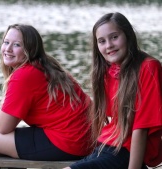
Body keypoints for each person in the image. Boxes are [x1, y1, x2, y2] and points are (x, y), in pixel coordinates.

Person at [0, 24, 93, 161]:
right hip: (87, 141)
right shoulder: (46, 65)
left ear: (30, 50)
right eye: (6, 42)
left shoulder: (24, 75)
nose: (7, 49)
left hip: (68, 143)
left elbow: (3, 128)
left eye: (17, 45)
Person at [64, 12, 162, 169]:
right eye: (102, 41)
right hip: (105, 146)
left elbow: (141, 127)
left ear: (128, 35)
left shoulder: (148, 67)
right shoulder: (109, 70)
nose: (108, 45)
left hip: (126, 151)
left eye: (114, 37)